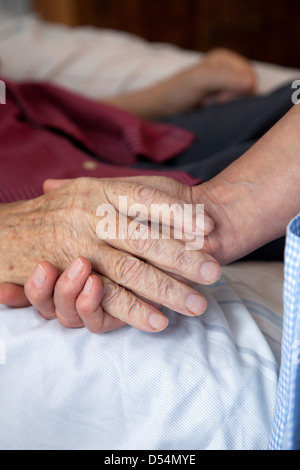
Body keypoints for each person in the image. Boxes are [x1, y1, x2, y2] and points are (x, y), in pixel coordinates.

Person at [0, 47, 299, 335]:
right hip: (108, 194)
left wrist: (166, 95)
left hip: (112, 139)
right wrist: (221, 215)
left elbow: (24, 114)